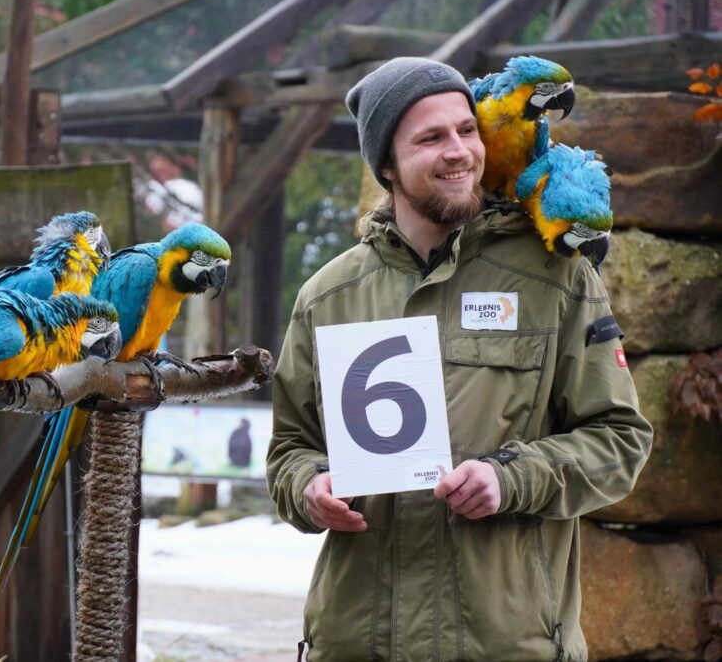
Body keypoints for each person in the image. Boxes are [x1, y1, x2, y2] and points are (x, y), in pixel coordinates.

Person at [266, 57, 652, 661]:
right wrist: (310, 487)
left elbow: (620, 441)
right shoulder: (328, 296)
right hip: (356, 642)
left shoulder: (556, 277)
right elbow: (290, 450)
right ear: (387, 166)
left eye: (466, 130)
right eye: (430, 138)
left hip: (508, 644)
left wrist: (511, 478)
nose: (459, 151)